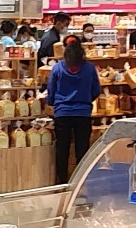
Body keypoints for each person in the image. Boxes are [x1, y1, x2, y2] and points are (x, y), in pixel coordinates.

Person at [43, 34, 102, 186]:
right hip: (83, 113)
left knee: (62, 148)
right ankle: (81, 181)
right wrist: (86, 100)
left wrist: (52, 103)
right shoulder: (89, 68)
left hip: (62, 113)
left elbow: (51, 91)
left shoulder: (57, 68)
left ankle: (62, 181)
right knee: (82, 149)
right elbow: (96, 90)